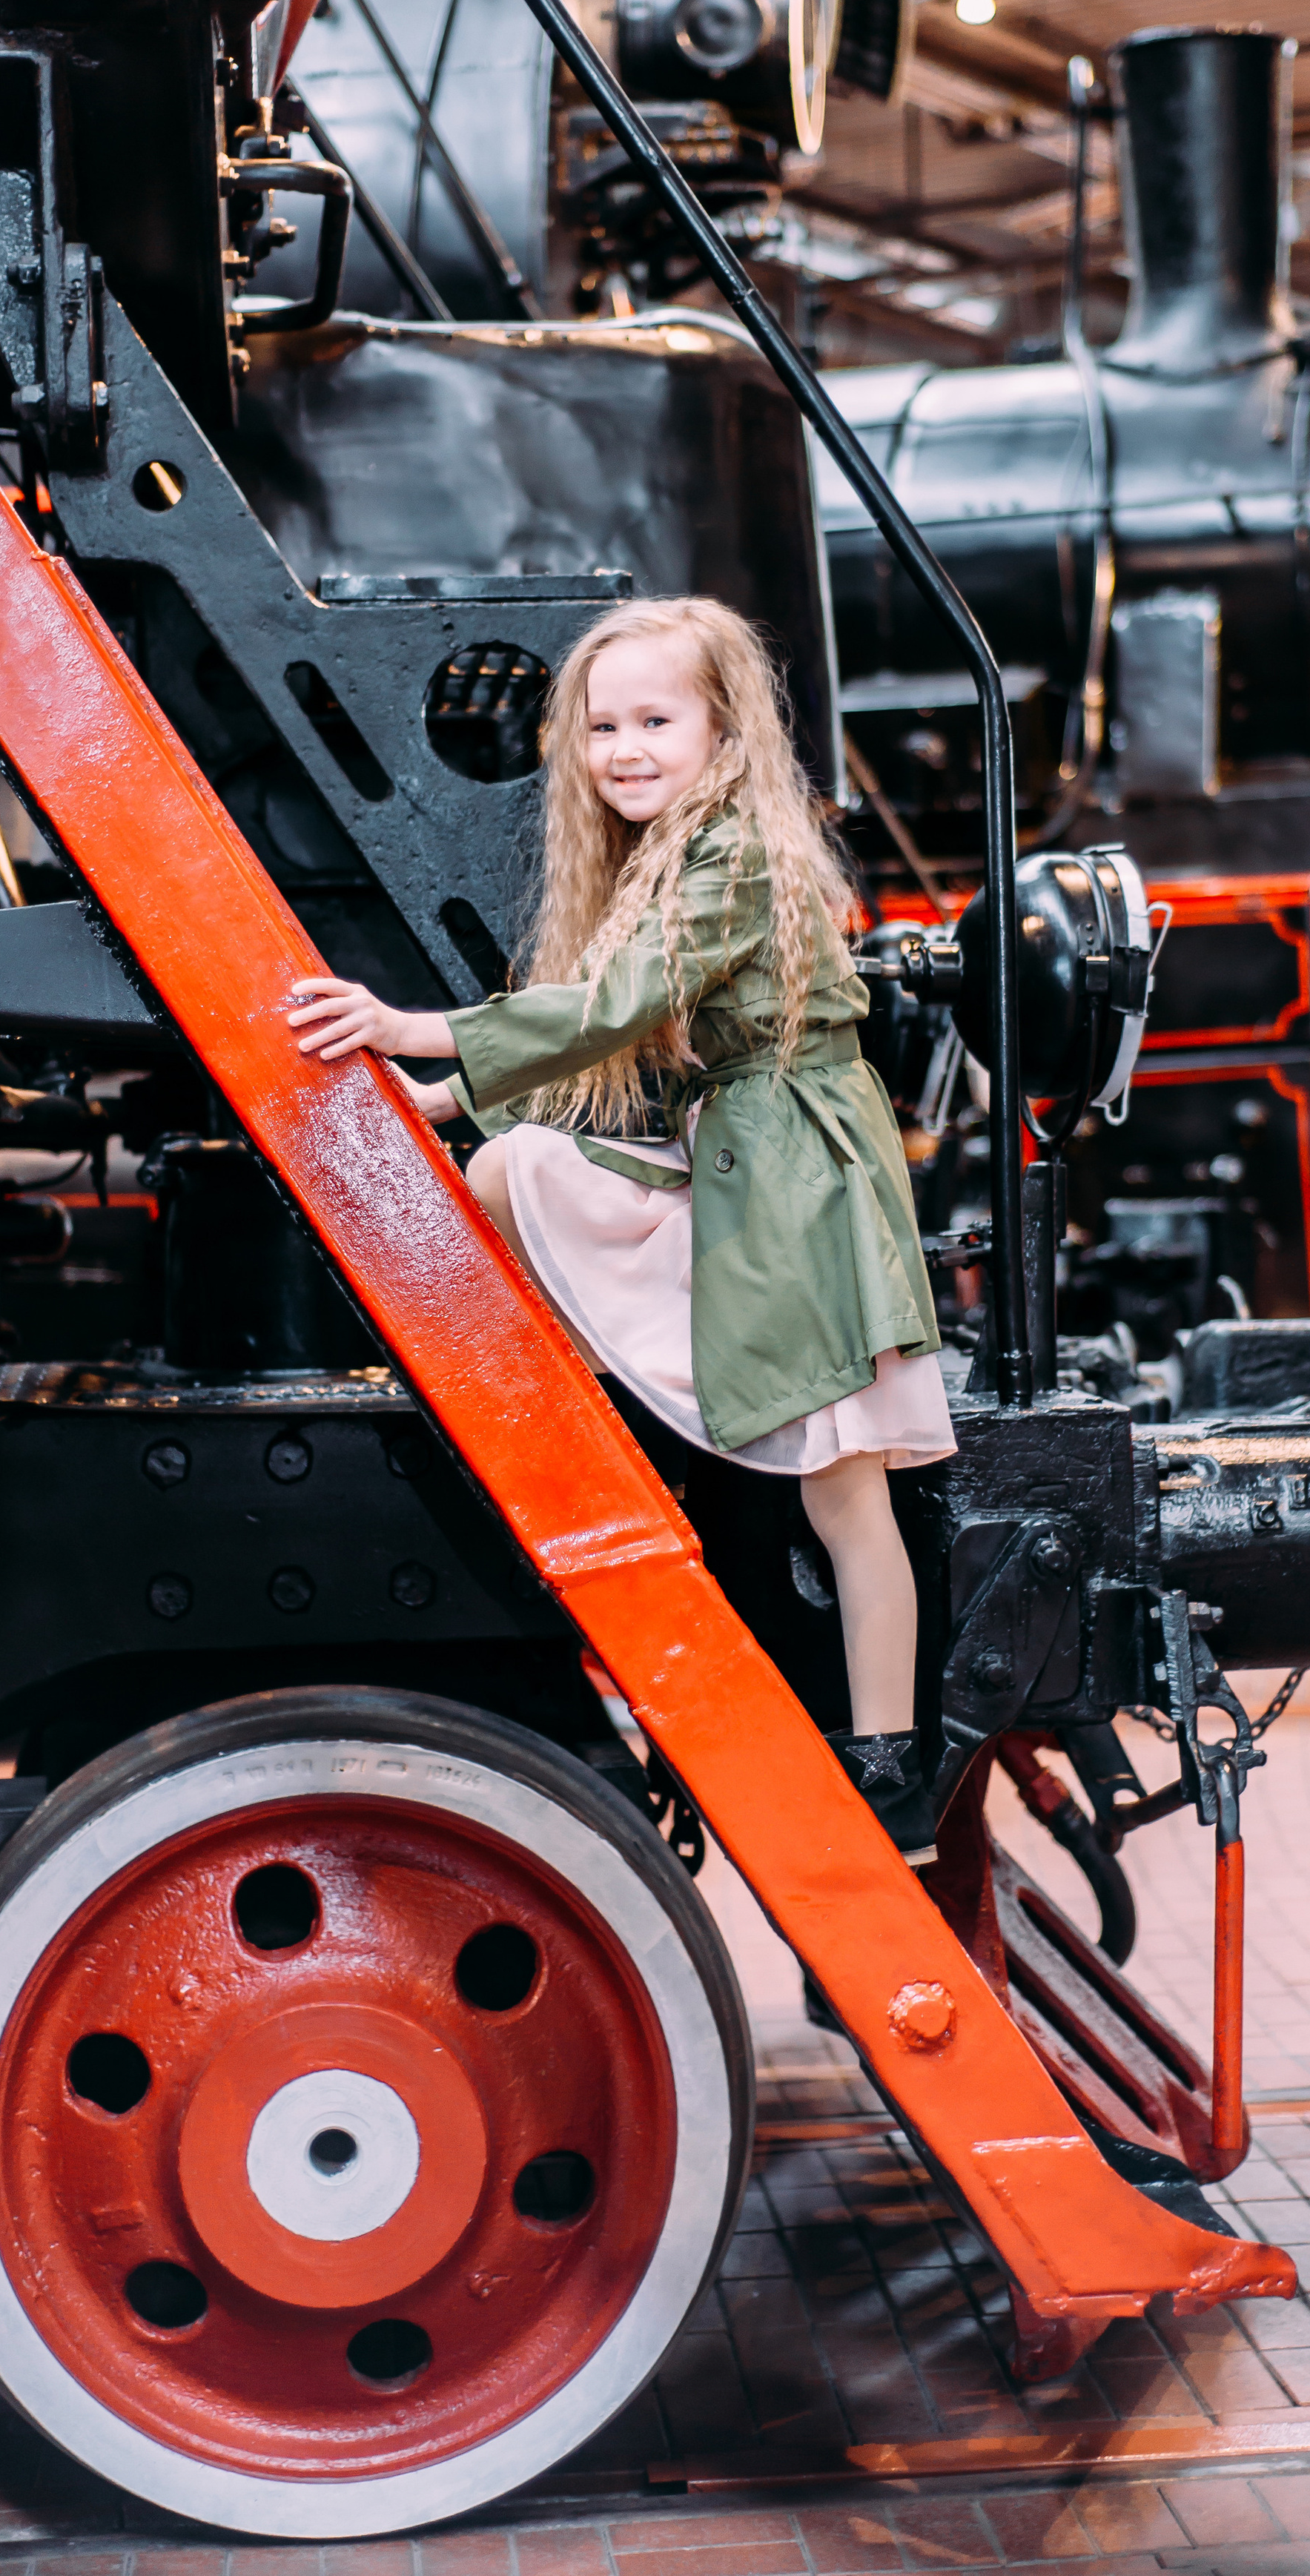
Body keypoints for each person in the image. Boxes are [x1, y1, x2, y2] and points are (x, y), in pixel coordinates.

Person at [288, 594, 955, 1860]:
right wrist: (450, 1098)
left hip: (800, 1178)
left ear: (725, 733)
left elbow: (614, 1006)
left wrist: (412, 1029)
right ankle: (588, 1422)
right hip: (742, 1156)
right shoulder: (680, 855)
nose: (625, 749)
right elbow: (613, 1041)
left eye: (656, 721)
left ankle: (892, 1770)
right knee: (516, 1170)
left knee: (846, 1489)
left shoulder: (738, 854)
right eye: (603, 726)